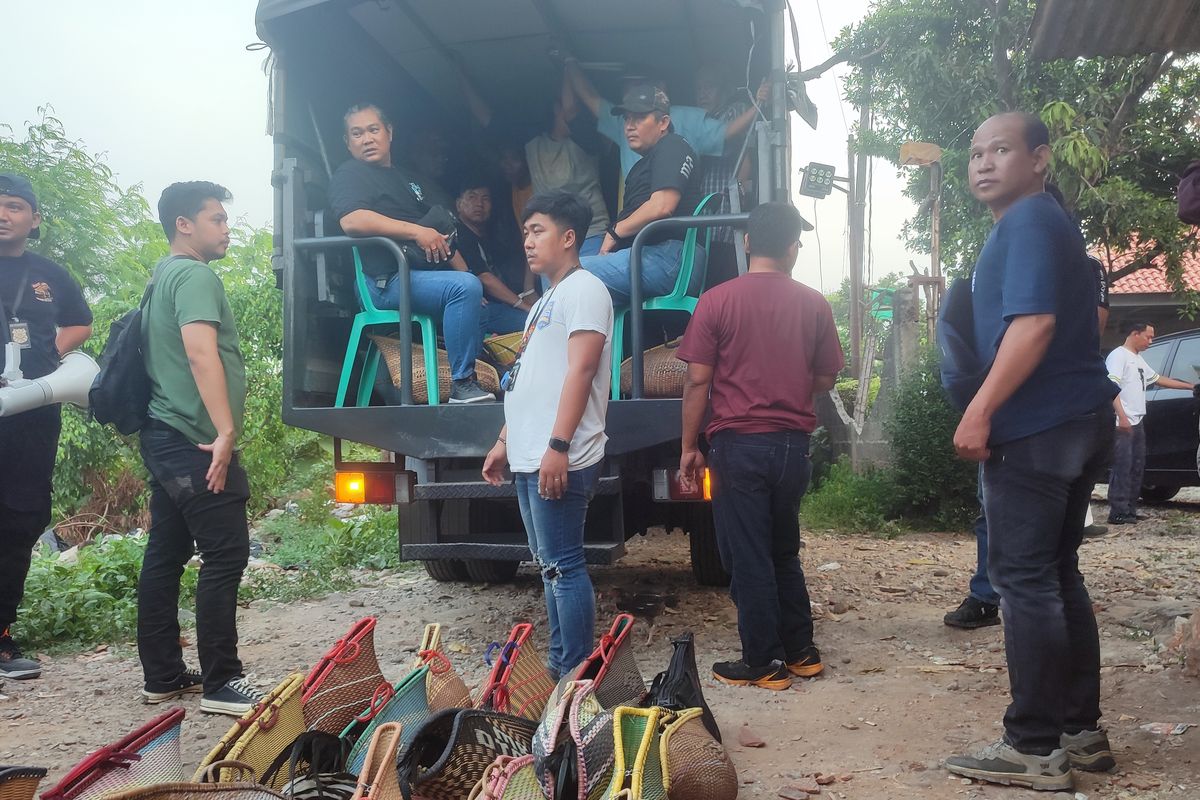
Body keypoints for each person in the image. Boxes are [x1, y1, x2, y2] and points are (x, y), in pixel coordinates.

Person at [941, 112, 1119, 791]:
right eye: (975, 152)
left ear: (1039, 158)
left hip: (1037, 427)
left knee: (1026, 583)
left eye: (1002, 149)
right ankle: (1082, 734)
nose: (983, 163)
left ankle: (1034, 748)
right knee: (1057, 576)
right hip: (1077, 418)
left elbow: (1036, 324)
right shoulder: (1047, 224)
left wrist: (980, 409)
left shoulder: (1027, 223)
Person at [676, 202, 843, 691]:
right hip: (794, 447)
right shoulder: (815, 304)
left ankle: (763, 661)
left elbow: (696, 381)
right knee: (783, 549)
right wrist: (787, 385)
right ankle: (801, 652)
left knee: (747, 554)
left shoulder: (717, 301)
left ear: (747, 243)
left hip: (739, 444)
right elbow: (828, 374)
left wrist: (690, 446)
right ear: (792, 248)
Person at [137, 181, 263, 716]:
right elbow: (199, 351)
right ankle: (222, 681)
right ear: (183, 225)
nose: (226, 227)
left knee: (166, 553)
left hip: (165, 432)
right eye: (216, 218)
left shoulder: (161, 276)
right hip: (196, 438)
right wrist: (225, 432)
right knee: (227, 552)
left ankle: (164, 675)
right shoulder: (192, 275)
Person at [944, 233, 1111, 630]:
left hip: (1039, 416)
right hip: (1066, 413)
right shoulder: (1008, 259)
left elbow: (1072, 329)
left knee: (1028, 577)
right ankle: (987, 594)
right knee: (1049, 567)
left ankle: (1037, 689)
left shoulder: (1078, 265)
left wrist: (980, 406)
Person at [482, 190, 613, 678]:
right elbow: (529, 379)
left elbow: (581, 372)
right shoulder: (545, 302)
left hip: (561, 454)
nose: (528, 242)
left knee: (564, 565)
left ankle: (570, 675)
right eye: (525, 233)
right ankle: (565, 670)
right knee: (549, 567)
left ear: (570, 237)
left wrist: (558, 447)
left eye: (538, 231)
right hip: (529, 451)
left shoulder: (585, 290)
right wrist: (503, 441)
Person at [329, 103, 494, 403]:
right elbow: (352, 221)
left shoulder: (410, 180)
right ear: (347, 142)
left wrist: (465, 273)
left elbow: (441, 232)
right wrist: (418, 232)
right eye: (357, 133)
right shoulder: (350, 174)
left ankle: (472, 376)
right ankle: (462, 384)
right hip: (384, 280)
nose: (366, 139)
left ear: (389, 132)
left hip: (419, 273)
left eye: (373, 130)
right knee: (464, 289)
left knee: (475, 294)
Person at [0, 173, 93, 681]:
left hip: (31, 412)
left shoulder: (49, 274)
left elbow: (81, 321)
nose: (3, 214)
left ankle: (1, 636)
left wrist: (46, 356)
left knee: (21, 516)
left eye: (14, 207)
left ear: (33, 219)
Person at [578, 85, 702, 306]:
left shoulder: (673, 146)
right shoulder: (643, 164)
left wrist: (614, 232)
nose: (629, 126)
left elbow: (663, 205)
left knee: (569, 275)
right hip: (651, 255)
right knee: (588, 297)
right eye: (626, 119)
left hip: (671, 257)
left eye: (639, 118)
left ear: (663, 122)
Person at [563, 58, 764, 178]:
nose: (631, 125)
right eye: (627, 86)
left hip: (673, 219)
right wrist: (568, 60)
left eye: (639, 84)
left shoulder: (687, 117)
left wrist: (758, 104)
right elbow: (590, 97)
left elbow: (726, 131)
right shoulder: (621, 120)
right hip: (634, 216)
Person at [1105, 322, 1193, 524]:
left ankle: (1130, 509)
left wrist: (1190, 386)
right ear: (1135, 333)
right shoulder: (1119, 356)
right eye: (1148, 337)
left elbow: (1158, 379)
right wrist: (1122, 417)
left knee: (1137, 466)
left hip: (1138, 419)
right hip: (1123, 421)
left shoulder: (1138, 359)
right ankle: (1117, 510)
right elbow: (1110, 387)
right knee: (1122, 466)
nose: (1150, 342)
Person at [454, 177, 536, 335]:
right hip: (481, 308)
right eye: (472, 197)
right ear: (458, 204)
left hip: (498, 306)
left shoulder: (488, 236)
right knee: (532, 323)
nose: (479, 204)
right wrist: (524, 305)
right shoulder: (460, 233)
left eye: (485, 198)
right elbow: (484, 277)